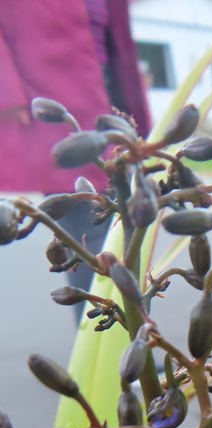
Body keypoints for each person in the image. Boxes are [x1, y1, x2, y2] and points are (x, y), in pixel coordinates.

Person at [0, 0, 150, 304]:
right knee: (90, 224)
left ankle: (133, 324)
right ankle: (111, 324)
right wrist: (6, 91)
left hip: (107, 79)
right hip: (47, 83)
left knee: (126, 219)